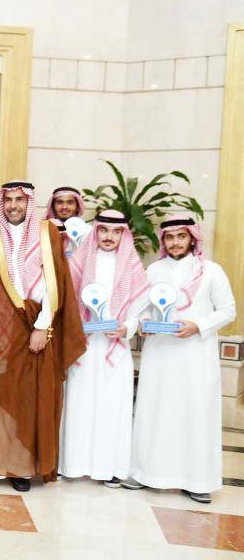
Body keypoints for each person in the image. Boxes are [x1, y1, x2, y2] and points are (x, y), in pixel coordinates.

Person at [0, 181, 86, 491]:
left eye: (19, 200)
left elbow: (56, 283)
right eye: (9, 200)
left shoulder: (47, 233)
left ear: (29, 203)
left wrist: (43, 327)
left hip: (33, 328)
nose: (13, 205)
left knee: (26, 398)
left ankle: (21, 469)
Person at [124, 217, 236, 503]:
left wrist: (197, 325)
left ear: (192, 238)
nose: (175, 242)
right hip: (160, 356)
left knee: (194, 413)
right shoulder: (154, 270)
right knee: (154, 410)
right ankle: (145, 473)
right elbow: (141, 308)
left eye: (181, 236)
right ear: (164, 240)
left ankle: (197, 481)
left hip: (195, 356)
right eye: (170, 237)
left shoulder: (212, 271)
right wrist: (144, 322)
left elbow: (228, 310)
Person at [59, 210, 149, 488]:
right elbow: (65, 301)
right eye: (104, 230)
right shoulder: (79, 262)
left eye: (116, 232)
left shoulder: (132, 265)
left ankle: (110, 468)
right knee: (78, 404)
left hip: (115, 348)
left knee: (113, 407)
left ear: (123, 234)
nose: (109, 237)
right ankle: (72, 465)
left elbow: (142, 308)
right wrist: (75, 327)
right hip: (84, 347)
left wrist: (127, 327)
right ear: (96, 231)